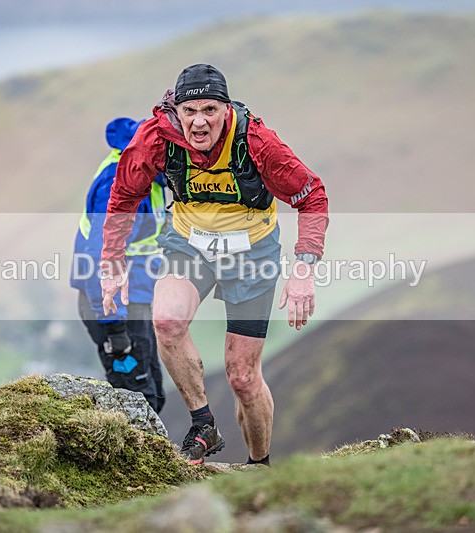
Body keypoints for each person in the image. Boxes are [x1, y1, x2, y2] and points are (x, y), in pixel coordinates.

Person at [99, 64, 329, 465]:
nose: (199, 121)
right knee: (167, 322)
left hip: (252, 253)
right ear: (177, 110)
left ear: (226, 110)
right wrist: (111, 260)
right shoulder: (156, 137)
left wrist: (304, 269)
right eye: (191, 110)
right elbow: (123, 194)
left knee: (242, 377)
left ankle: (259, 465)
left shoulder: (255, 141)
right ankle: (203, 422)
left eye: (210, 109)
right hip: (190, 245)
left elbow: (313, 196)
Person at [70, 117, 167, 414]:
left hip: (134, 296)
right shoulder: (117, 183)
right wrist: (114, 327)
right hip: (111, 305)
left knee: (153, 392)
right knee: (136, 398)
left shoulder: (149, 177)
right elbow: (99, 255)